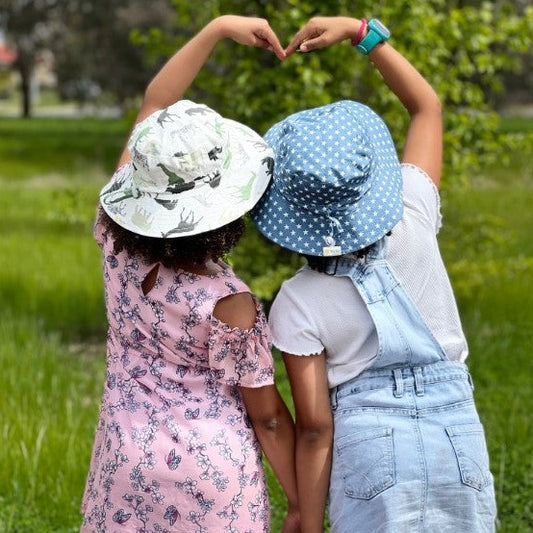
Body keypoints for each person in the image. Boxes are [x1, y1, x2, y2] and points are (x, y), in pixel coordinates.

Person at [251, 15, 497, 533]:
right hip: (458, 440)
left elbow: (316, 430)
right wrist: (359, 30)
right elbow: (426, 107)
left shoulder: (297, 301)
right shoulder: (414, 213)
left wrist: (306, 517)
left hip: (368, 452)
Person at [80, 16, 300, 533]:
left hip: (124, 459)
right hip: (212, 481)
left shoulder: (113, 239)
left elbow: (154, 103)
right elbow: (267, 417)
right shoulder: (230, 299)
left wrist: (215, 29)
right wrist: (301, 503)